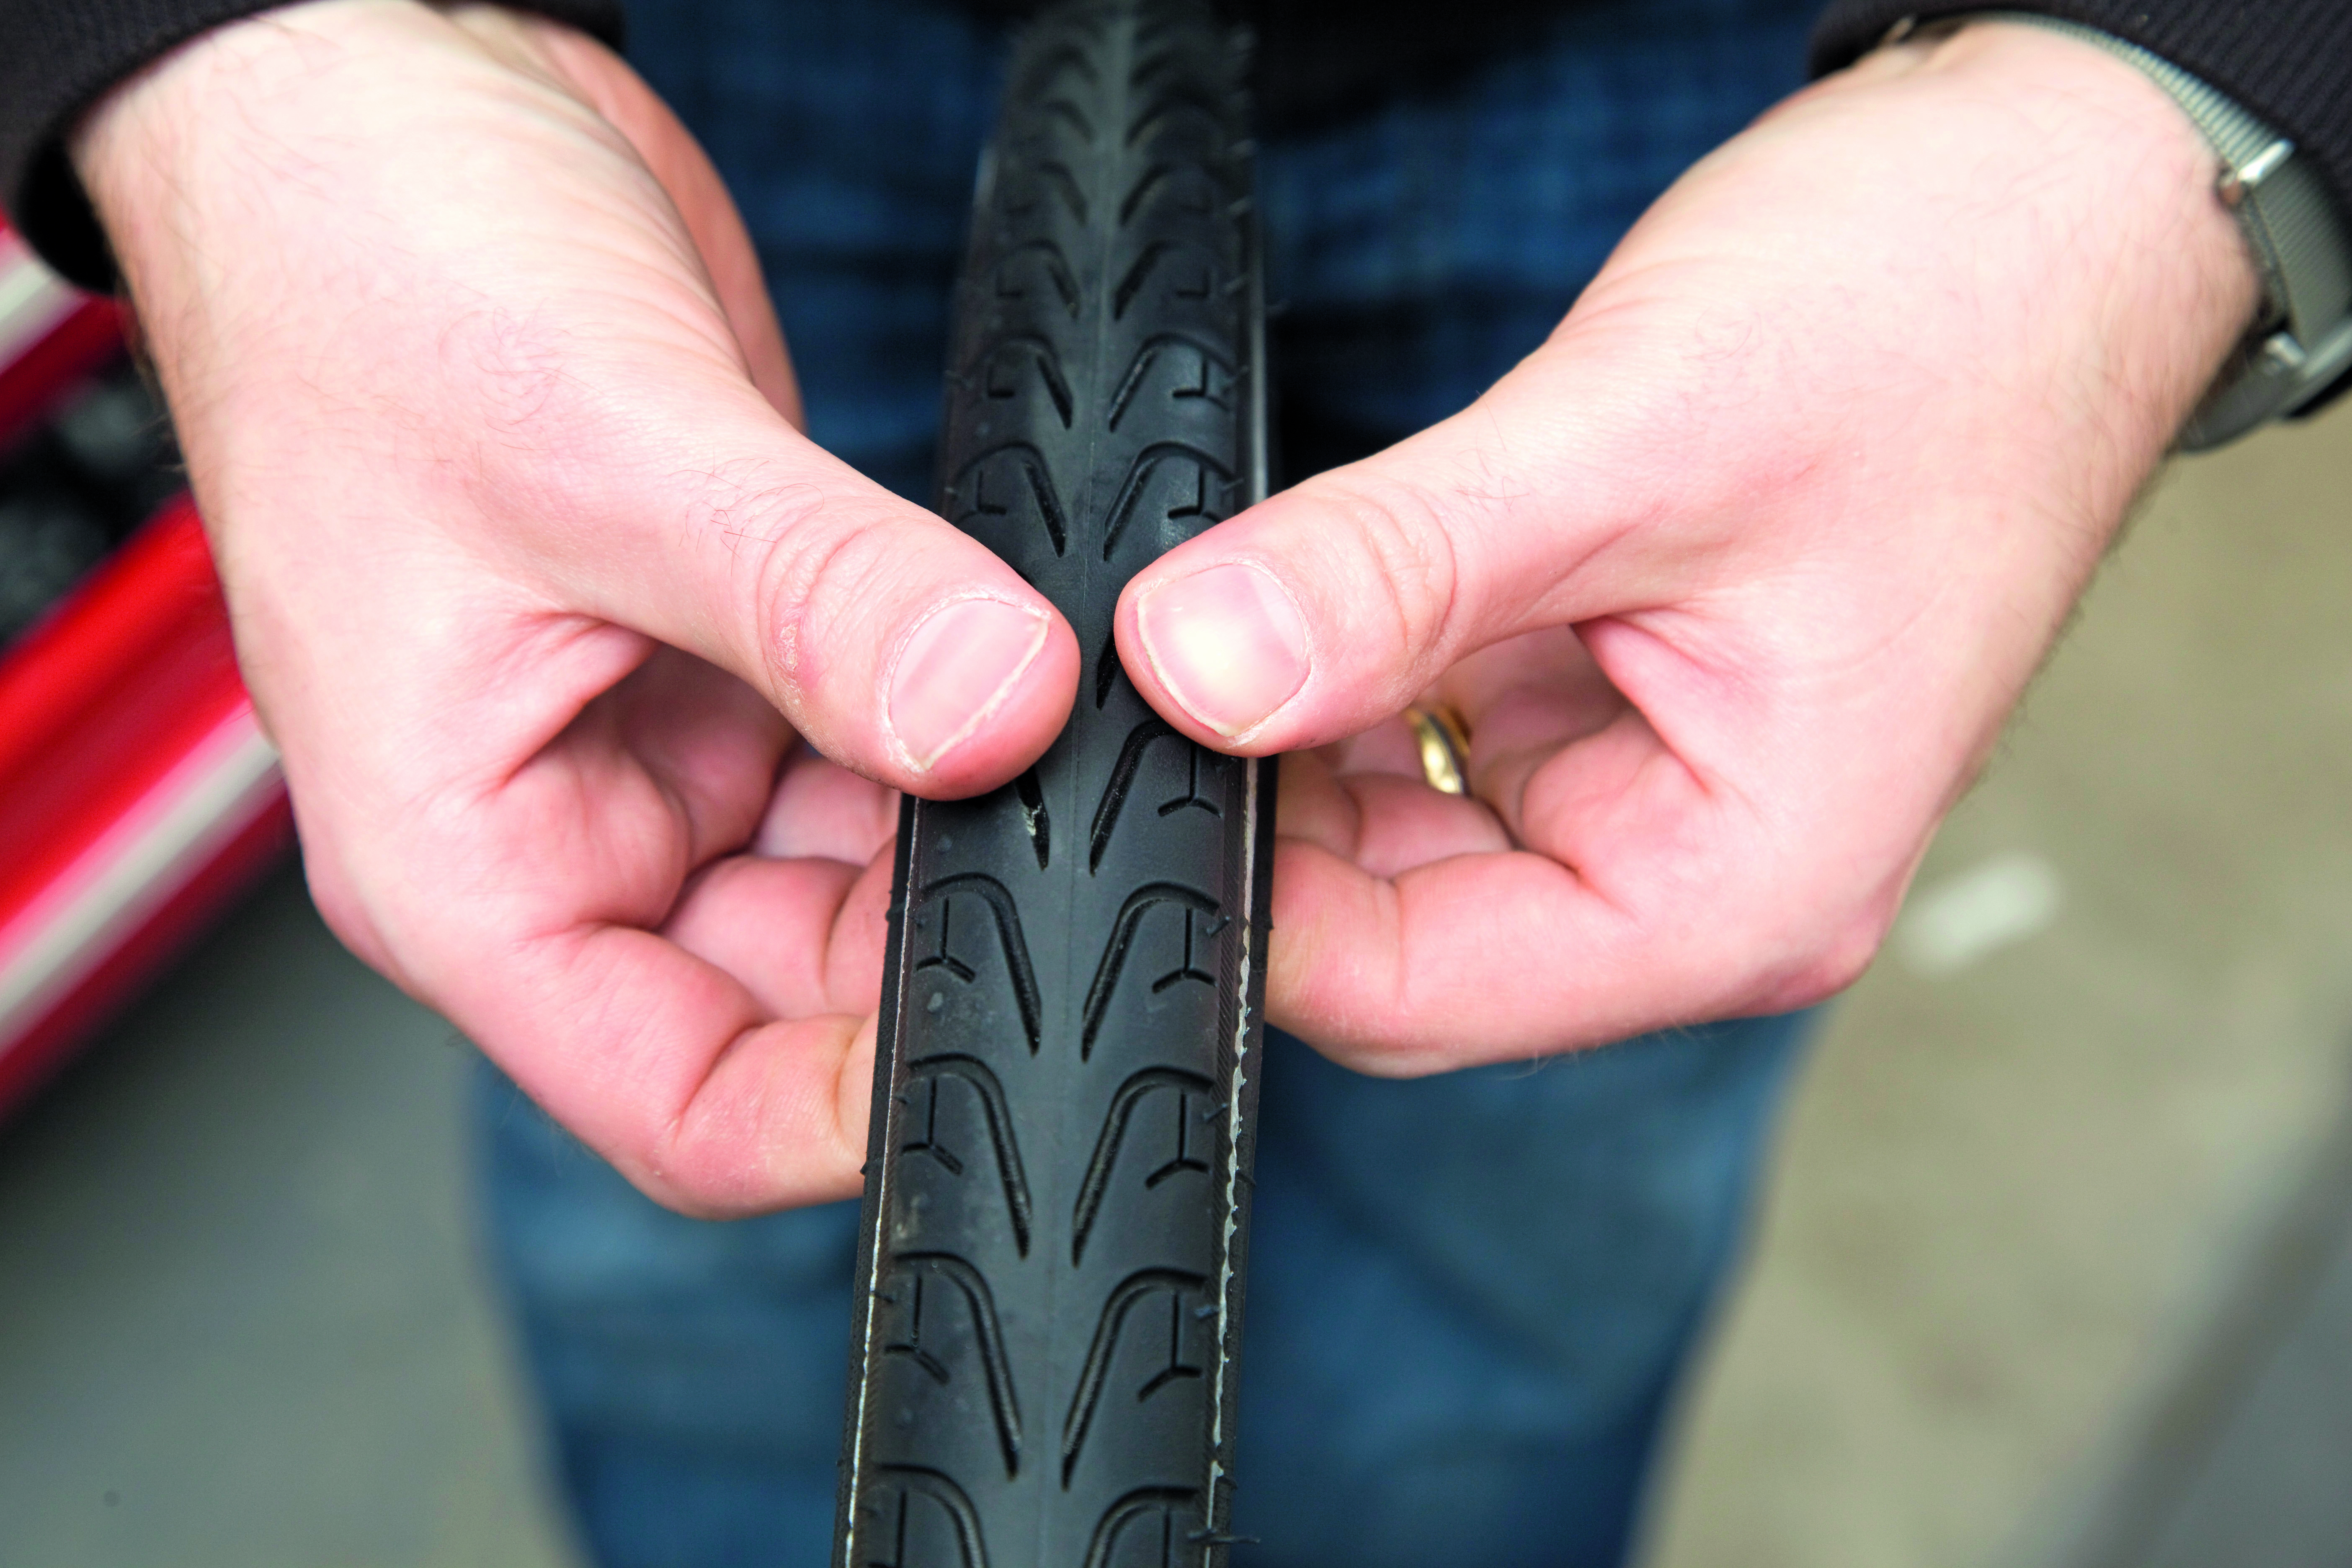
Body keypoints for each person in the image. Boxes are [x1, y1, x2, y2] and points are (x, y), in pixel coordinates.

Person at [4, 0, 2344, 1563]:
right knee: (696, 1177)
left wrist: (2181, 100)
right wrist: (216, 58)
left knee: (1507, 1261)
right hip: (638, 97)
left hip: (1720, 95)